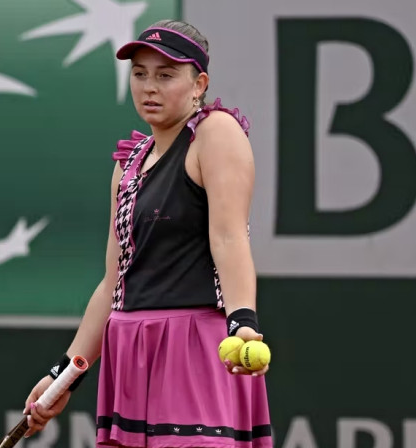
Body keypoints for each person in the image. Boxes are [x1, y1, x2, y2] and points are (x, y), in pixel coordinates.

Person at [22, 19, 273, 448]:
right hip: (129, 354)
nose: (149, 87)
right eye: (139, 74)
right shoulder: (129, 163)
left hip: (193, 348)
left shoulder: (216, 134)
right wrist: (62, 376)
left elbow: (230, 238)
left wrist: (242, 323)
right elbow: (113, 283)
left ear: (200, 84)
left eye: (165, 74)